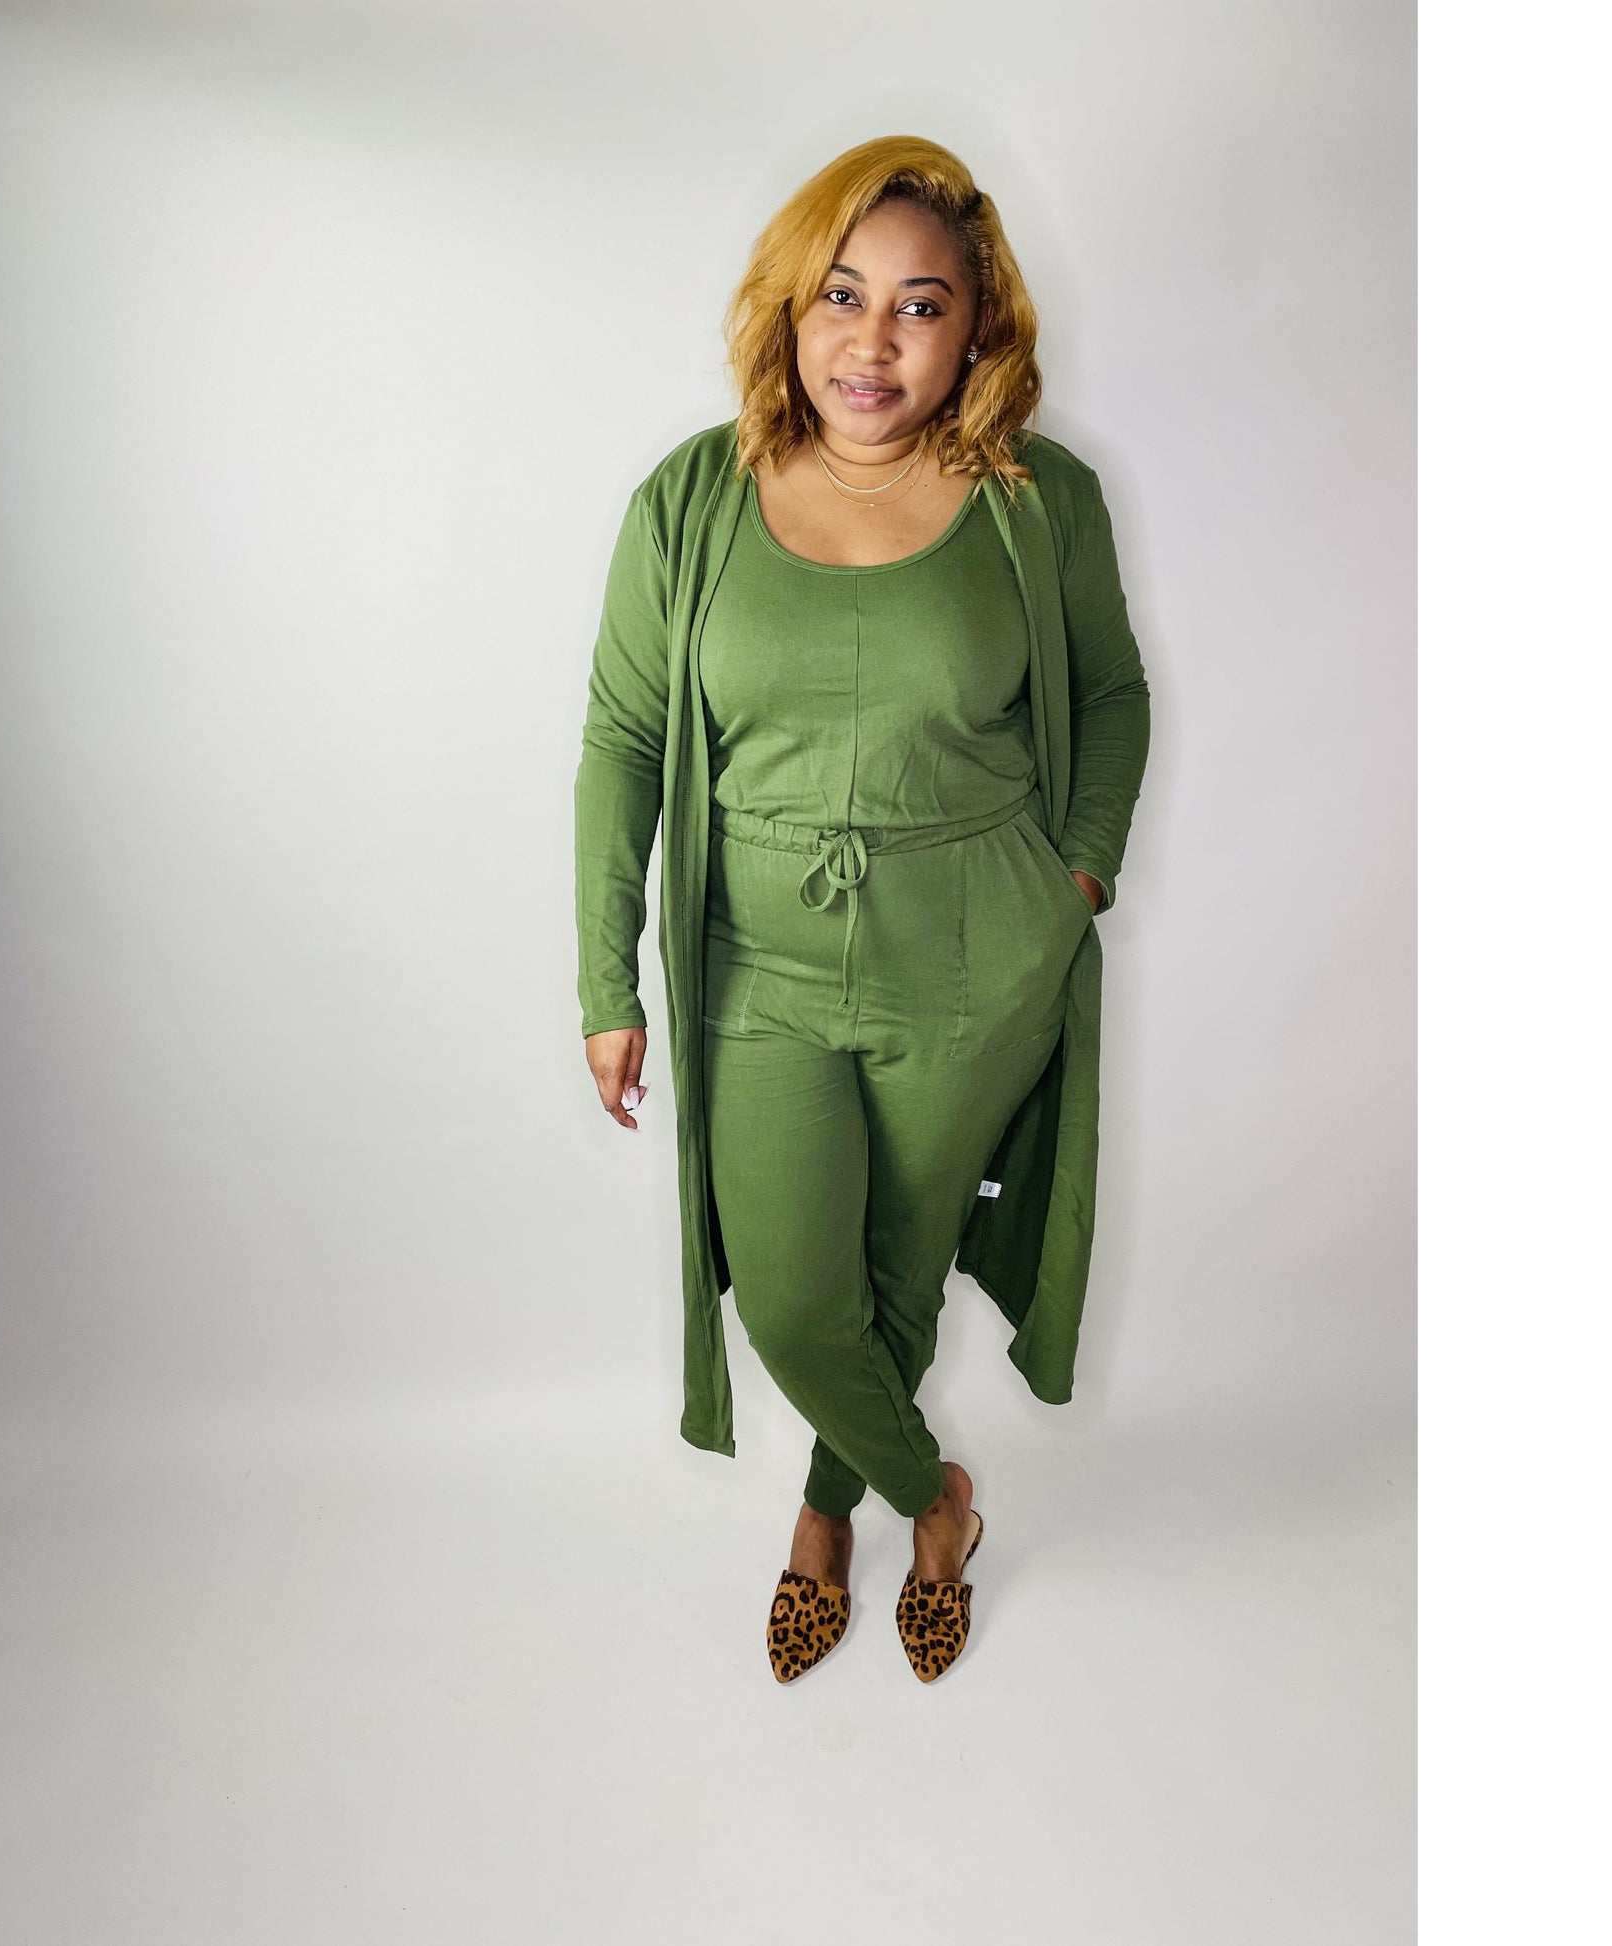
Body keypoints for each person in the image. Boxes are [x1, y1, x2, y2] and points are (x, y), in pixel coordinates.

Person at [572, 135, 1151, 1684]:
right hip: (754, 960)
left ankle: (822, 1522)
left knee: (893, 1272)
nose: (873, 341)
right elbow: (624, 738)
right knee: (792, 1296)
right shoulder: (688, 500)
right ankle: (935, 1499)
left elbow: (1109, 692)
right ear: (789, 302)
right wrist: (605, 978)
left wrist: (1074, 880)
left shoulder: (1038, 501)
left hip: (976, 956)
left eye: (920, 305)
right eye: (842, 294)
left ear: (975, 329)